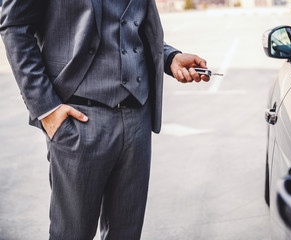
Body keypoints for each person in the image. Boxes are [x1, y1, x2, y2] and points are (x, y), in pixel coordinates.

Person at [0, 0, 209, 239]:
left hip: (136, 117)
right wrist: (47, 109)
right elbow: (15, 26)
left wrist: (169, 58)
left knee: (126, 234)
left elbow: (129, 27)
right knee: (73, 234)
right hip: (80, 119)